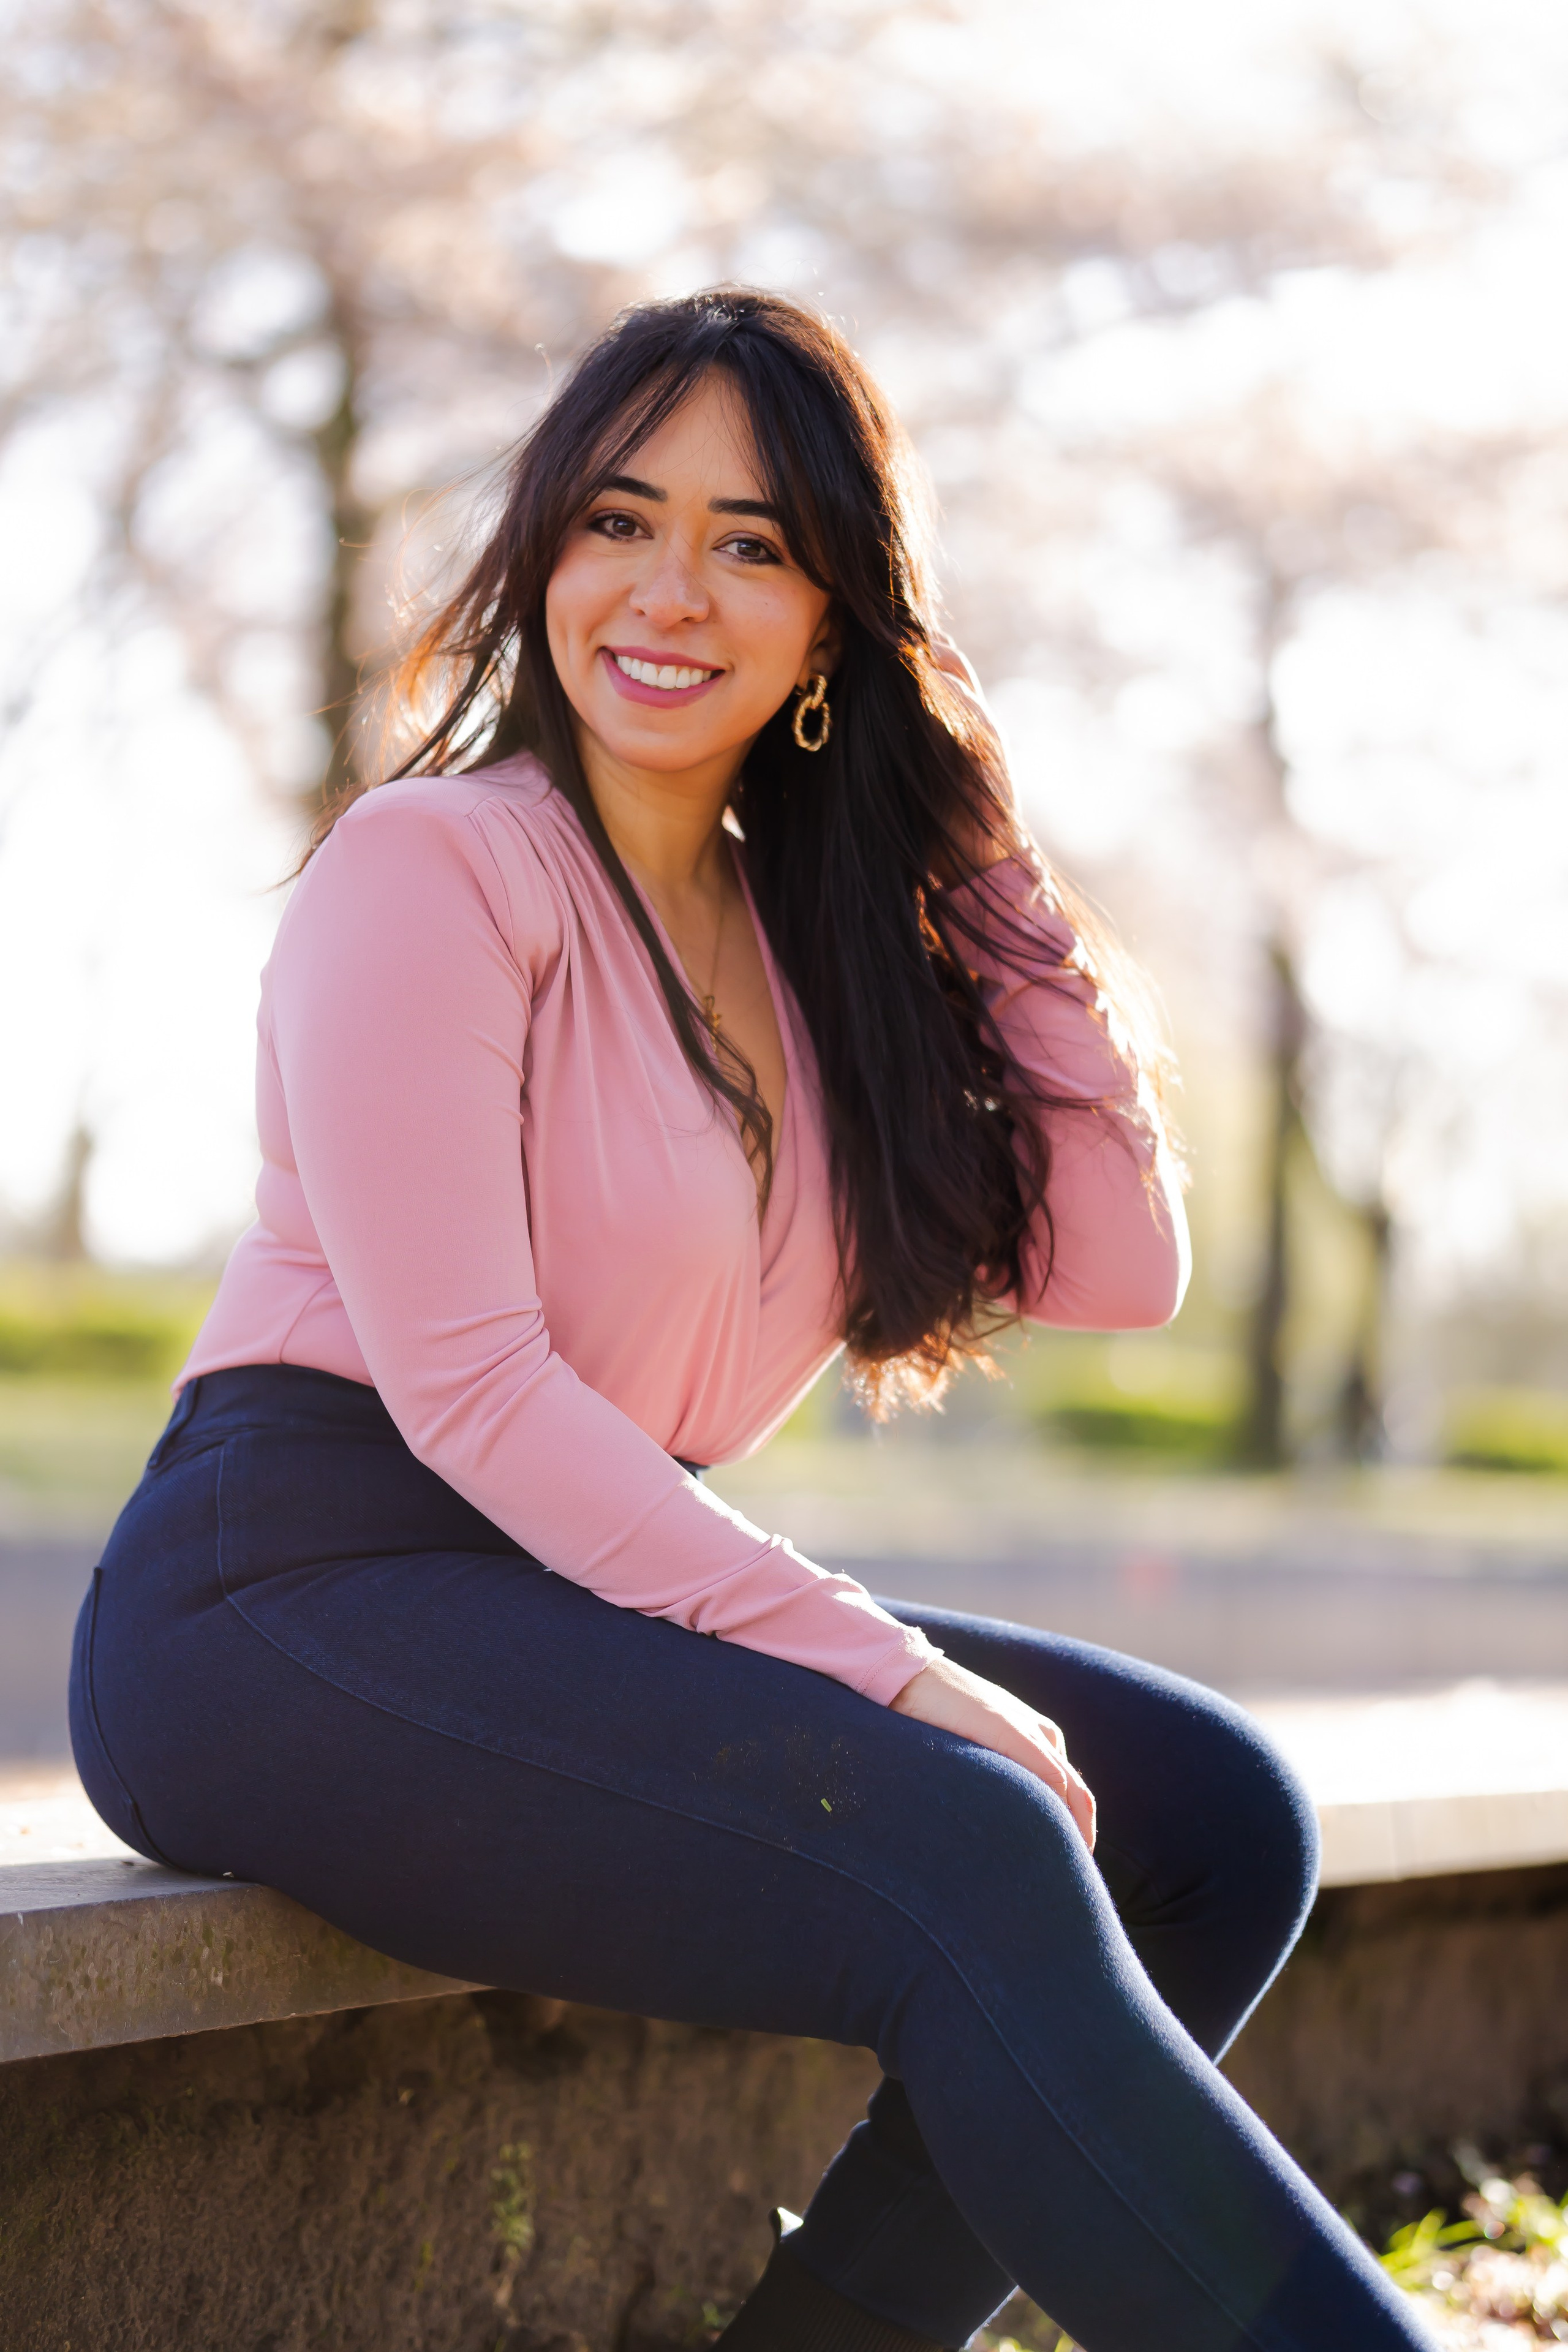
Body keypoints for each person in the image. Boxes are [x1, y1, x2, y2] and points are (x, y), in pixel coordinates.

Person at [70, 290, 1427, 2352]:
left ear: (834, 621)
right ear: (545, 548)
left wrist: (981, 857)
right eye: (620, 520)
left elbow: (1116, 1265)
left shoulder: (819, 960)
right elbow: (473, 1395)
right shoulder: (433, 869)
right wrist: (891, 1671)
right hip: (284, 1601)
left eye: (755, 543)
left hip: (569, 1597)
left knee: (1213, 1820)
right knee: (972, 1843)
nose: (670, 591)